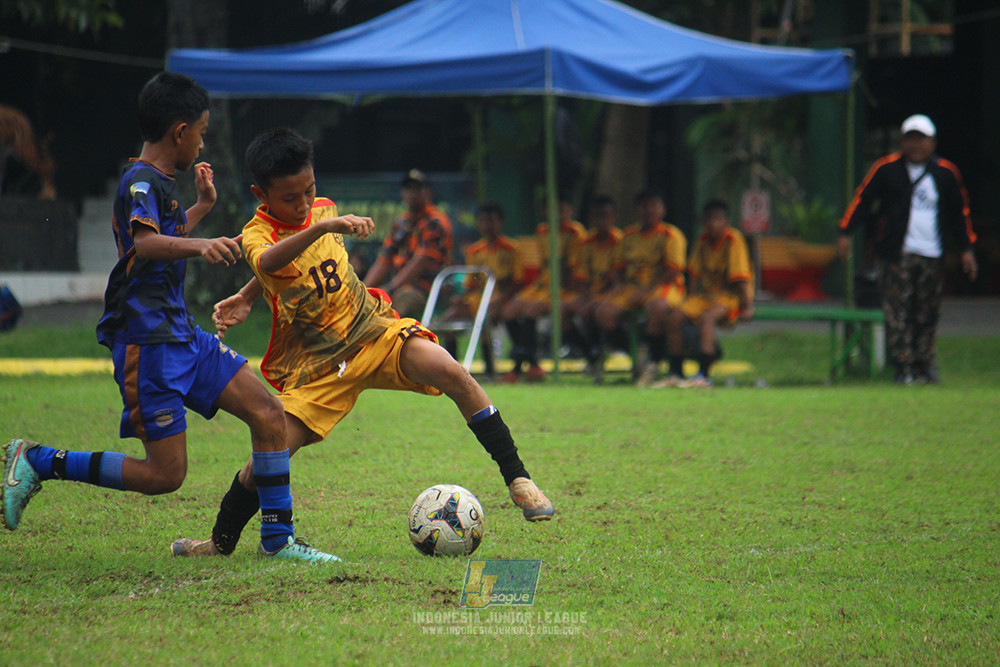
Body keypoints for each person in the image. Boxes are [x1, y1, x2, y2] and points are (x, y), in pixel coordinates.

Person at [170, 129, 553, 559]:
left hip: (374, 331)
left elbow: (302, 260)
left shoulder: (324, 208)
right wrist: (314, 235)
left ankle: (519, 479)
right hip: (320, 367)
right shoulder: (258, 233)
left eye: (309, 190)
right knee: (270, 453)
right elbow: (270, 260)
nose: (304, 204)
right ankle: (218, 543)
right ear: (262, 194)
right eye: (290, 198)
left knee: (452, 372)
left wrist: (247, 293)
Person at [1, 73, 334, 562]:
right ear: (180, 132)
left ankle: (278, 540)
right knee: (165, 475)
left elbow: (162, 234)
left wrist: (201, 208)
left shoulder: (159, 183)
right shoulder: (139, 181)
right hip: (147, 343)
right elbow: (146, 243)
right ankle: (40, 460)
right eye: (200, 132)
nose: (201, 142)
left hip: (182, 334)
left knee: (269, 413)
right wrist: (200, 244)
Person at [838, 114, 977, 385]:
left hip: (932, 254)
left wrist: (966, 248)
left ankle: (924, 364)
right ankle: (903, 365)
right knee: (896, 312)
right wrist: (845, 231)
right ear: (902, 142)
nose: (916, 145)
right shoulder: (886, 169)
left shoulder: (945, 173)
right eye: (911, 139)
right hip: (895, 254)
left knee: (927, 312)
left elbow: (959, 213)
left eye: (921, 139)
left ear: (932, 142)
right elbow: (862, 200)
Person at [585, 191, 686, 385]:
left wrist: (646, 291)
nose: (649, 210)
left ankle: (654, 360)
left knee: (658, 308)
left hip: (662, 286)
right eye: (644, 206)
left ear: (663, 210)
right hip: (631, 287)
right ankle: (636, 355)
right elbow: (618, 267)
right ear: (637, 210)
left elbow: (673, 271)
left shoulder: (671, 235)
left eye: (654, 205)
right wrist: (617, 285)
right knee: (603, 313)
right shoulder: (629, 235)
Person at [658, 199, 753, 388]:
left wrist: (747, 306)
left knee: (707, 318)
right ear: (703, 222)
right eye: (709, 219)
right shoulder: (703, 240)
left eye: (717, 219)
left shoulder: (733, 240)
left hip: (730, 296)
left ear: (726, 222)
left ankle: (704, 374)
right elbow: (694, 274)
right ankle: (676, 372)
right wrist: (690, 301)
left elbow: (740, 277)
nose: (713, 224)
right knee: (675, 317)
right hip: (707, 296)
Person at [500, 198, 586, 383]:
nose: (557, 214)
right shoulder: (542, 231)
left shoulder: (575, 233)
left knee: (531, 311)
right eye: (552, 210)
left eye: (561, 210)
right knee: (509, 311)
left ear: (569, 211)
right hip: (543, 284)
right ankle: (533, 365)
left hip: (564, 287)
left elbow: (570, 267)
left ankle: (517, 368)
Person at [439, 202, 520, 379]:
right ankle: (452, 372)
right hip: (478, 299)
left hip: (501, 299)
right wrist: (460, 297)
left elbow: (517, 282)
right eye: (483, 221)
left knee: (484, 321)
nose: (487, 225)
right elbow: (472, 281)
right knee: (447, 321)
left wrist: (500, 300)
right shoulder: (475, 251)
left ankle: (490, 371)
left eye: (492, 221)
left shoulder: (512, 249)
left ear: (501, 223)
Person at [363, 169, 453, 319]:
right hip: (402, 286)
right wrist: (364, 290)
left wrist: (390, 289)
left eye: (417, 189)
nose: (412, 193)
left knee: (401, 300)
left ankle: (393, 333)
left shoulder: (435, 221)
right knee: (366, 301)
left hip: (429, 290)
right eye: (408, 189)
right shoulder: (401, 222)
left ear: (428, 192)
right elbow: (384, 260)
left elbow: (419, 263)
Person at [565, 195, 623, 379]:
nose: (601, 221)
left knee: (595, 312)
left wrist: (592, 297)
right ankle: (591, 354)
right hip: (591, 293)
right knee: (562, 311)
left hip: (613, 292)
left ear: (613, 218)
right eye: (597, 216)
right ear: (591, 218)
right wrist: (583, 295)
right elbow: (581, 276)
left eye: (606, 216)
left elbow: (617, 278)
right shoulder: (585, 243)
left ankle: (626, 349)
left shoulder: (620, 241)